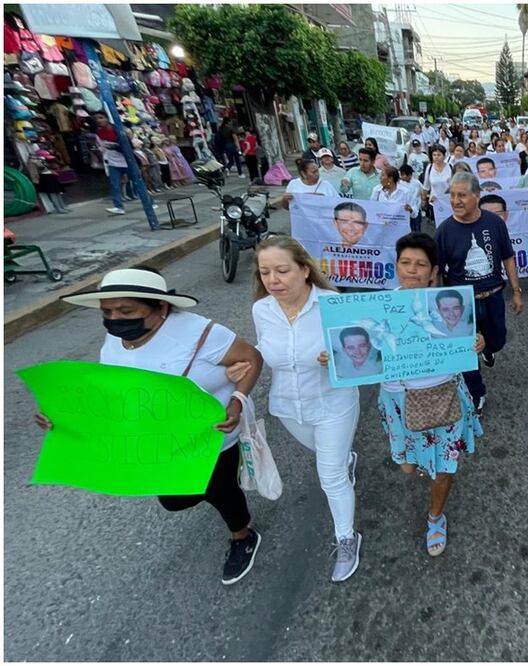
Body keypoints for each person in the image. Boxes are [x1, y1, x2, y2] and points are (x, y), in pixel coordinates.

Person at [40, 267, 264, 584]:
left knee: (219, 488)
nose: (115, 319)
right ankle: (217, 485)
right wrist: (66, 419)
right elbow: (114, 390)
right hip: (159, 438)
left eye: (126, 311)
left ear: (161, 307)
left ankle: (242, 535)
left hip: (209, 434)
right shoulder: (116, 337)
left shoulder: (199, 333)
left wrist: (237, 400)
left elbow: (252, 359)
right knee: (174, 500)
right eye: (108, 312)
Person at [241, 237, 362, 582]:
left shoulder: (333, 304)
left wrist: (338, 358)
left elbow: (363, 355)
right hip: (288, 408)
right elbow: (265, 350)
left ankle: (346, 538)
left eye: (282, 270)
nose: (273, 280)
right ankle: (345, 459)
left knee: (330, 475)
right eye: (265, 272)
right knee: (331, 457)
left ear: (305, 270)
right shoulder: (261, 310)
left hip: (333, 403)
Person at [379, 232, 484, 556]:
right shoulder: (378, 308)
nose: (411, 270)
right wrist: (334, 358)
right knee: (408, 466)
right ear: (396, 266)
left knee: (442, 468)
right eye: (405, 263)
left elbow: (464, 346)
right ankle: (418, 460)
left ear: (433, 271)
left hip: (445, 398)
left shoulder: (451, 305)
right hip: (398, 400)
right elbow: (360, 356)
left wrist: (476, 343)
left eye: (420, 264)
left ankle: (435, 516)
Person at [434, 172, 524, 413]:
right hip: (461, 305)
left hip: (493, 296)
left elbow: (507, 256)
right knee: (467, 351)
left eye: (462, 195)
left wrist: (516, 291)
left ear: (477, 196)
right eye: (452, 195)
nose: (455, 201)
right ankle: (477, 392)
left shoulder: (494, 223)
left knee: (496, 341)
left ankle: (488, 349)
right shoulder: (444, 231)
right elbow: (437, 271)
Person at [93, 111, 131, 215]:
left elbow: (127, 145)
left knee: (137, 182)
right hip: (113, 161)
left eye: (101, 118)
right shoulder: (99, 132)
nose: (99, 121)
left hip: (126, 160)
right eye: (96, 119)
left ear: (107, 118)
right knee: (114, 184)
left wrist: (116, 145)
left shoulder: (117, 129)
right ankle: (118, 206)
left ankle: (150, 202)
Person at [421, 145, 451, 217]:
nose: (436, 157)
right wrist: (424, 200)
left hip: (448, 203)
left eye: (439, 155)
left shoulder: (450, 167)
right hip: (434, 203)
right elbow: (426, 186)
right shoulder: (430, 168)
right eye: (434, 155)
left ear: (444, 156)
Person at [398, 163, 423, 233]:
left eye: (403, 175)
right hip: (405, 210)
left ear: (409, 175)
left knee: (417, 228)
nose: (401, 176)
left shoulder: (416, 183)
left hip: (416, 208)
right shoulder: (400, 184)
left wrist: (423, 201)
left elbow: (423, 190)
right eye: (401, 174)